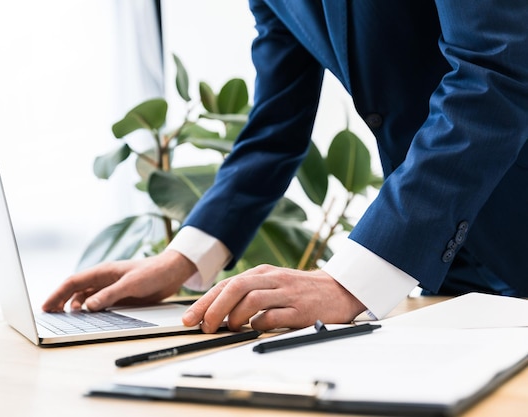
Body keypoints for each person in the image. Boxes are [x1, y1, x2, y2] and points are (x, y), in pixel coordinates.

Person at [43, 1, 528, 333]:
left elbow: (495, 71)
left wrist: (353, 279)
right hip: (452, 265)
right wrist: (184, 259)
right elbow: (277, 120)